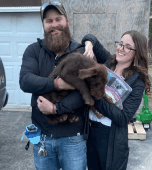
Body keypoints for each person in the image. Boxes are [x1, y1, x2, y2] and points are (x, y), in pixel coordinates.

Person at [19, 1, 88, 170]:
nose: (54, 24)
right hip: (42, 137)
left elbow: (85, 92)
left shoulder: (80, 52)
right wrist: (58, 83)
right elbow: (26, 81)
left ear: (67, 22)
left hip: (73, 138)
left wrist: (56, 109)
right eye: (49, 21)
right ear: (43, 25)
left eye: (58, 19)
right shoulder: (33, 50)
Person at [81, 30, 151, 170]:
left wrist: (95, 96)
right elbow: (90, 37)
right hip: (90, 131)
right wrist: (89, 46)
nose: (121, 48)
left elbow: (122, 118)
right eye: (120, 43)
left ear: (137, 53)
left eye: (127, 47)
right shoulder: (108, 62)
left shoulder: (137, 81)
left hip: (109, 137)